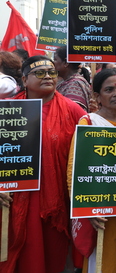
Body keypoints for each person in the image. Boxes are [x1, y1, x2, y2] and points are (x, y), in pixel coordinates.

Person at [0, 56, 86, 273]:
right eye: (40, 73)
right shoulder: (8, 111)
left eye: (52, 72)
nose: (48, 76)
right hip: (12, 200)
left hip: (54, 202)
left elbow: (89, 152)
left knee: (52, 257)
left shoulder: (73, 111)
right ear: (24, 80)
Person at [67, 68, 116, 273]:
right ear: (96, 96)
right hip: (104, 209)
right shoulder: (89, 123)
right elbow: (75, 169)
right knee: (106, 260)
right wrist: (86, 211)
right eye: (109, 89)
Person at [54, 46, 92, 112]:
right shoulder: (69, 82)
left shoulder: (75, 85)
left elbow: (71, 114)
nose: (52, 63)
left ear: (66, 63)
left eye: (55, 59)